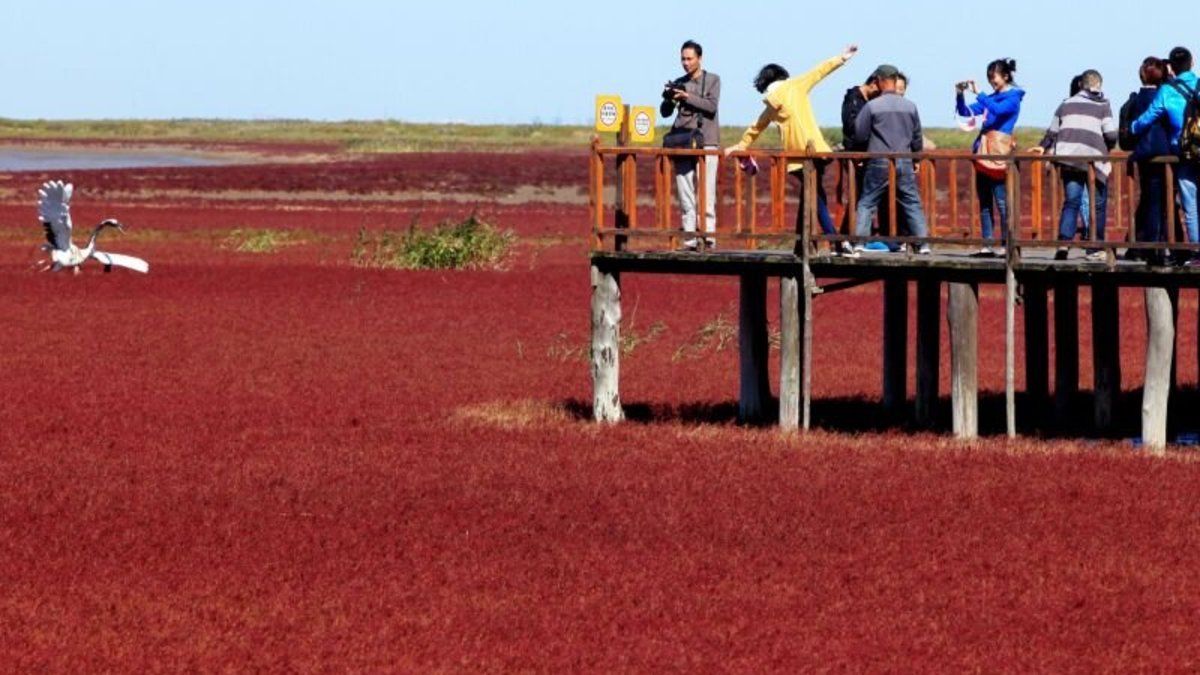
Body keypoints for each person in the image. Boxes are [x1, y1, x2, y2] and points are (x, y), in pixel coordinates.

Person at [725, 44, 858, 256]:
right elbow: (819, 71)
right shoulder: (794, 86)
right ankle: (836, 242)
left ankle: (805, 244)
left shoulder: (770, 104)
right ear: (782, 76)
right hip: (815, 151)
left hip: (795, 158)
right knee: (816, 197)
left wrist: (740, 146)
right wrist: (842, 58)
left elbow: (756, 126)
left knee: (812, 196)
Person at [1029, 69, 1118, 261]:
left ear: (1081, 85)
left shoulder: (1065, 104)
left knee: (1072, 201)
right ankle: (1095, 248)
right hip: (1093, 161)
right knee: (1098, 204)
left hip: (1068, 158)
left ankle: (1063, 243)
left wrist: (1041, 147)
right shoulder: (1103, 105)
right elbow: (1111, 134)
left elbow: (1052, 132)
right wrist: (1107, 146)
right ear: (1099, 85)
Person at [851, 64, 931, 254]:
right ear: (895, 81)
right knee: (911, 201)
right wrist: (916, 159)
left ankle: (859, 243)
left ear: (879, 81)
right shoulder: (910, 106)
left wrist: (859, 154)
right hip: (903, 159)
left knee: (867, 202)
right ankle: (923, 244)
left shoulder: (872, 106)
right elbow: (917, 136)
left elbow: (860, 135)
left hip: (878, 159)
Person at [1131, 46, 1199, 265]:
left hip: (1184, 152)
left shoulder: (1167, 91)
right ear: (1192, 63)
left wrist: (1132, 127)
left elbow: (1150, 116)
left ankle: (1197, 251)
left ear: (1171, 66)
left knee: (1190, 205)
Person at [955, 58, 1024, 257]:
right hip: (983, 153)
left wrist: (980, 94)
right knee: (985, 202)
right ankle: (987, 244)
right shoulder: (990, 98)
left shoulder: (1013, 98)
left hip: (999, 155)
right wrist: (959, 94)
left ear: (1005, 76)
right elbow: (965, 112)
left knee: (1002, 201)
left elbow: (999, 110)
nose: (991, 81)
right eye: (989, 77)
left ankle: (1006, 244)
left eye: (993, 77)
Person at [661, 39, 720, 251]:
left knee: (707, 192)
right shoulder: (679, 81)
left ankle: (709, 237)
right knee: (685, 192)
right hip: (683, 140)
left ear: (700, 59)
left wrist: (687, 96)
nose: (685, 63)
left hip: (707, 141)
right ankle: (690, 239)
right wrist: (668, 98)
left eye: (689, 59)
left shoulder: (713, 80)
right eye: (682, 59)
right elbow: (665, 113)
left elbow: (711, 106)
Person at [1120, 57, 1172, 264]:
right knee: (1160, 202)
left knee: (1150, 199)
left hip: (1142, 155)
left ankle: (1145, 246)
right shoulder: (1164, 96)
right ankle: (1157, 247)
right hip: (1164, 155)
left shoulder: (1135, 100)